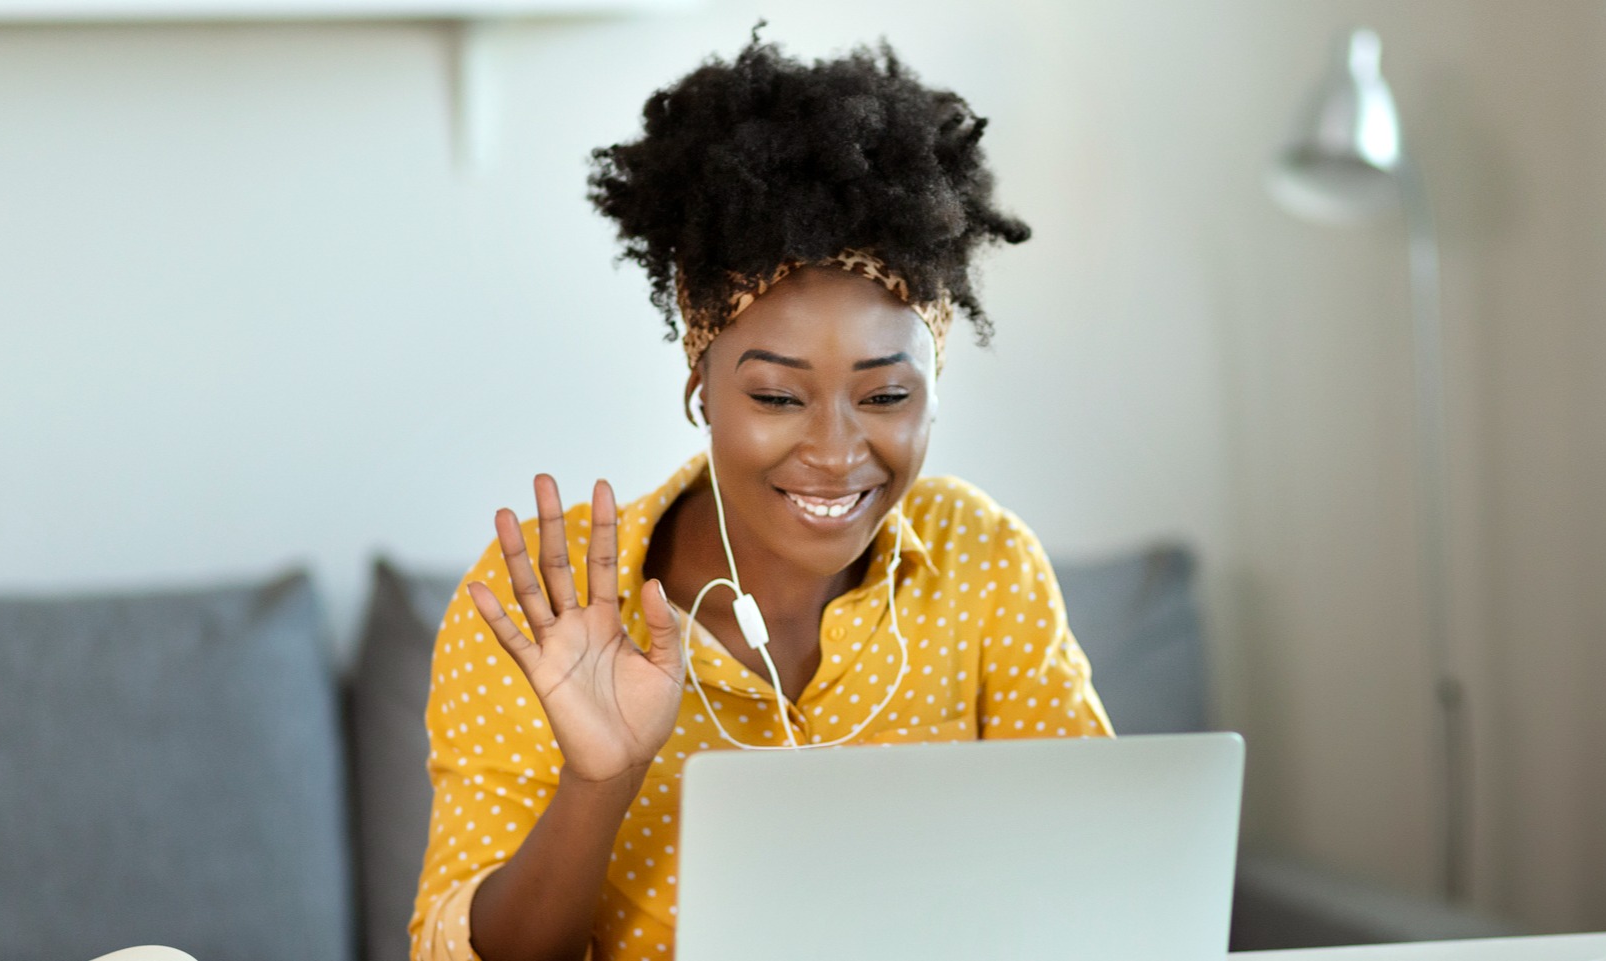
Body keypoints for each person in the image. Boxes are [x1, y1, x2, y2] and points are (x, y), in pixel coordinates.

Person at [408, 31, 1114, 961]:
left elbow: (1104, 876)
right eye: (777, 395)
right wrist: (600, 778)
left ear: (935, 386)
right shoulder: (546, 599)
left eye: (886, 396)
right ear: (701, 381)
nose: (834, 450)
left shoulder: (984, 565)